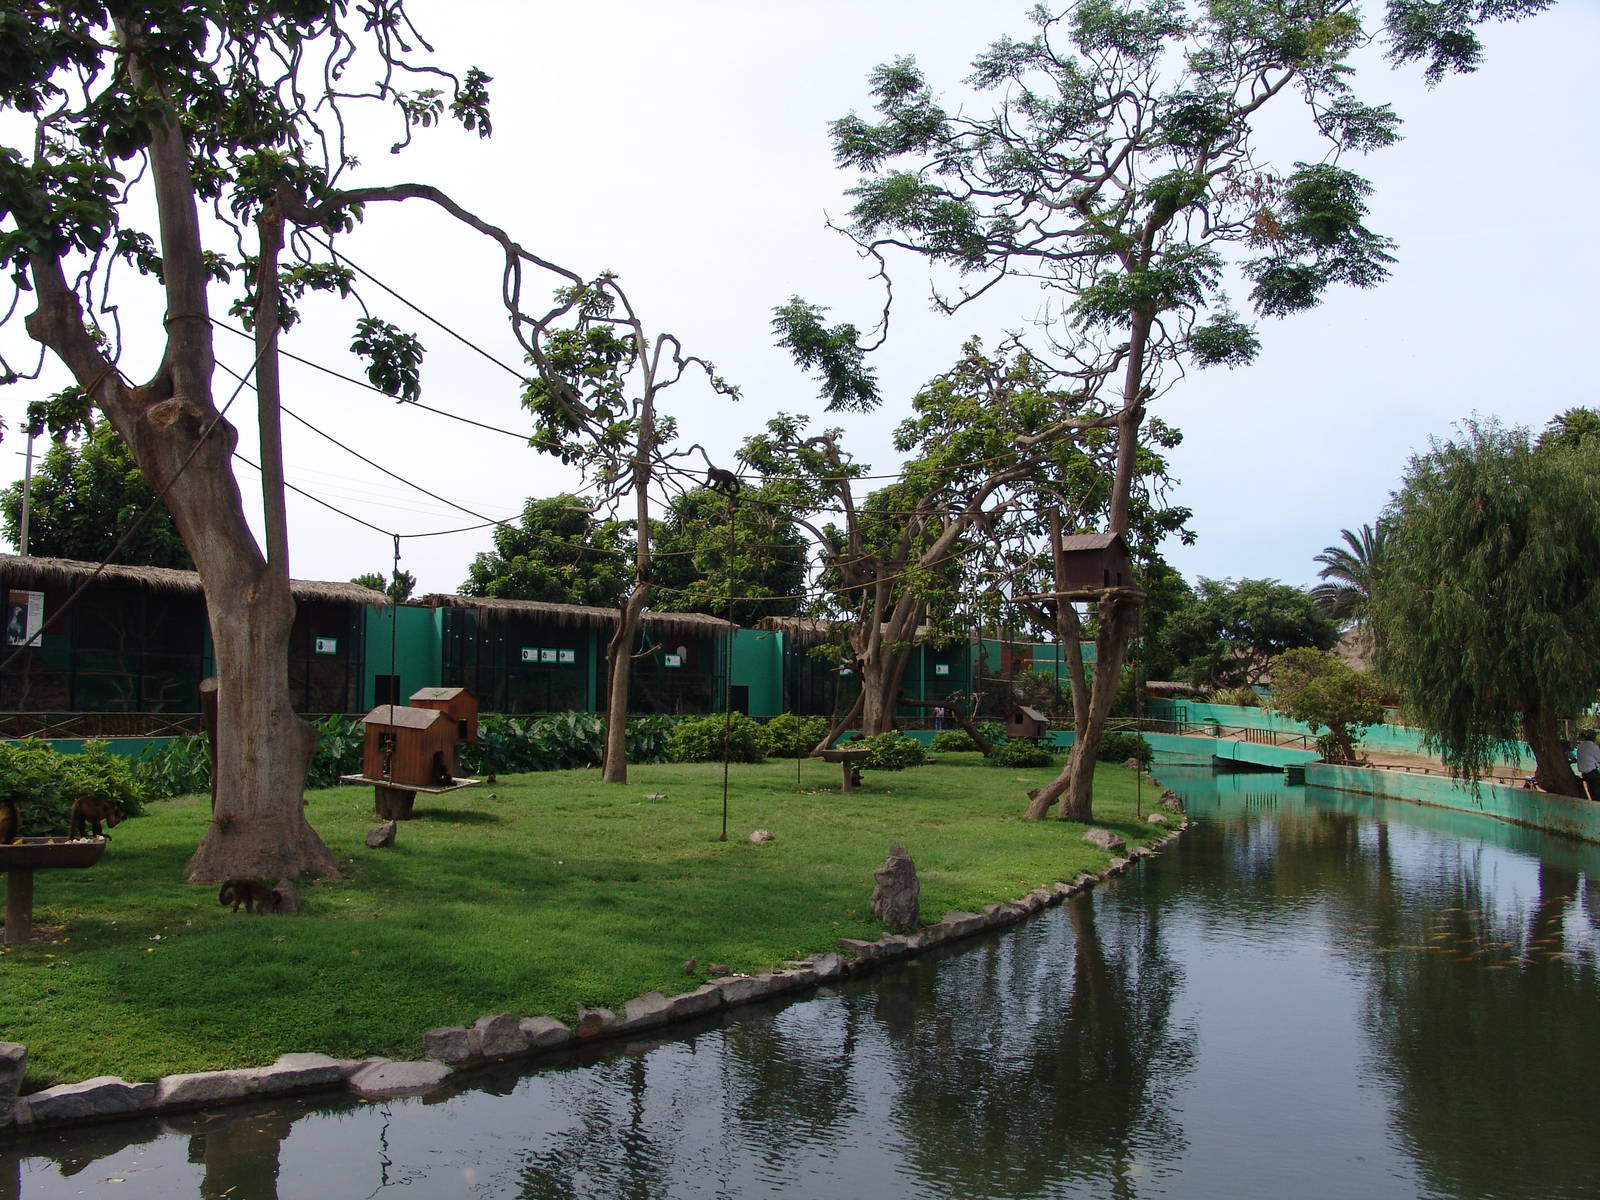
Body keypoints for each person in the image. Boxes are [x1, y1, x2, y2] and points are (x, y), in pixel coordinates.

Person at [1574, 730, 1600, 801]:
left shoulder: (1580, 746)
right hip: (1592, 772)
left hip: (1584, 773)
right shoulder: (1593, 747)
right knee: (1597, 792)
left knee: (1591, 790)